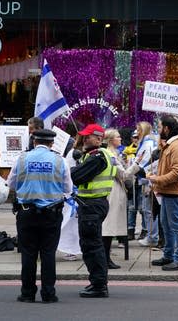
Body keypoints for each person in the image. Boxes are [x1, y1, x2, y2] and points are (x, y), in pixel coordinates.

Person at [8, 129, 72, 303]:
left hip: (26, 213)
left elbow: (11, 183)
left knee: (28, 254)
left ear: (34, 141)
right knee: (48, 254)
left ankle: (27, 293)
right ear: (52, 143)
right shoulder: (60, 160)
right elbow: (68, 189)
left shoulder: (21, 159)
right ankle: (49, 293)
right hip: (51, 214)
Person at [70, 123, 115, 298]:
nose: (84, 139)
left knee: (92, 246)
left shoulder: (97, 156)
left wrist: (74, 169)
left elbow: (76, 177)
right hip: (93, 204)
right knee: (90, 244)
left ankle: (99, 285)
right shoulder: (95, 155)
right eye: (84, 136)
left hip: (92, 205)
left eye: (88, 136)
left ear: (99, 138)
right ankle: (96, 283)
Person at [146, 115, 178, 271]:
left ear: (167, 128)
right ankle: (169, 256)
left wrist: (157, 180)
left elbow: (177, 172)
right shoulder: (171, 144)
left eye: (159, 127)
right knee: (166, 224)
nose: (158, 131)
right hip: (168, 192)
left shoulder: (177, 146)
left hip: (175, 192)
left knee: (177, 226)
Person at [102, 129, 142, 269]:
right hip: (113, 193)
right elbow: (124, 175)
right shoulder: (111, 155)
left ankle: (106, 258)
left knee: (109, 227)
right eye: (118, 137)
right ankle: (105, 259)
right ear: (111, 140)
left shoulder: (114, 154)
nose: (120, 139)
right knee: (108, 227)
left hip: (114, 191)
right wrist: (136, 164)